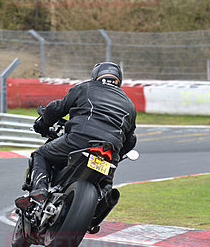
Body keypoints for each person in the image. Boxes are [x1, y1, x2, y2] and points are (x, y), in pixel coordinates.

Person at [24, 61, 137, 203]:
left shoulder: (86, 87)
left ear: (95, 75)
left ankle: (40, 190)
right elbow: (131, 139)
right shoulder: (129, 104)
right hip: (110, 151)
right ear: (119, 79)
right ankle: (97, 212)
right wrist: (117, 154)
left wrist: (43, 124)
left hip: (80, 139)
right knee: (106, 185)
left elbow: (57, 108)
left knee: (40, 154)